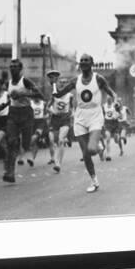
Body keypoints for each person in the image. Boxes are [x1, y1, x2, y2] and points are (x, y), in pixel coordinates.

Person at [51, 54, 115, 193]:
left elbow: (110, 92)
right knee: (86, 153)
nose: (84, 62)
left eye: (87, 60)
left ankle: (99, 147)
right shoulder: (75, 81)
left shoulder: (99, 78)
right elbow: (59, 94)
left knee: (92, 149)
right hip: (80, 117)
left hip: (95, 116)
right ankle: (94, 181)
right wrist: (54, 85)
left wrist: (116, 99)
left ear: (92, 63)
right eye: (82, 61)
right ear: (79, 65)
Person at [2, 59, 41, 183]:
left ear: (20, 69)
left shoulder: (25, 81)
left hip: (26, 114)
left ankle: (32, 147)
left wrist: (23, 94)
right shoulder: (8, 83)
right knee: (11, 142)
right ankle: (10, 173)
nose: (12, 68)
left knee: (25, 144)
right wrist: (4, 105)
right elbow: (12, 98)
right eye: (11, 66)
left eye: (15, 67)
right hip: (13, 112)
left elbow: (40, 95)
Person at [47, 77, 73, 173]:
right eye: (61, 82)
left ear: (67, 85)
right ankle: (53, 157)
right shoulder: (54, 94)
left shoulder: (70, 95)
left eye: (65, 82)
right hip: (55, 119)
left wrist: (72, 114)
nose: (62, 84)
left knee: (61, 140)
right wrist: (53, 111)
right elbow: (47, 107)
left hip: (65, 119)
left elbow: (72, 107)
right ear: (58, 84)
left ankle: (58, 164)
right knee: (52, 140)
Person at [103, 95, 121, 160]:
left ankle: (117, 138)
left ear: (112, 99)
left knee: (116, 140)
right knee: (107, 138)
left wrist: (116, 116)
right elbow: (102, 115)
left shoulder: (115, 105)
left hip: (115, 124)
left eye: (110, 99)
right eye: (107, 99)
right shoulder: (104, 106)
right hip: (107, 124)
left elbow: (120, 114)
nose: (109, 100)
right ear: (106, 99)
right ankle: (108, 155)